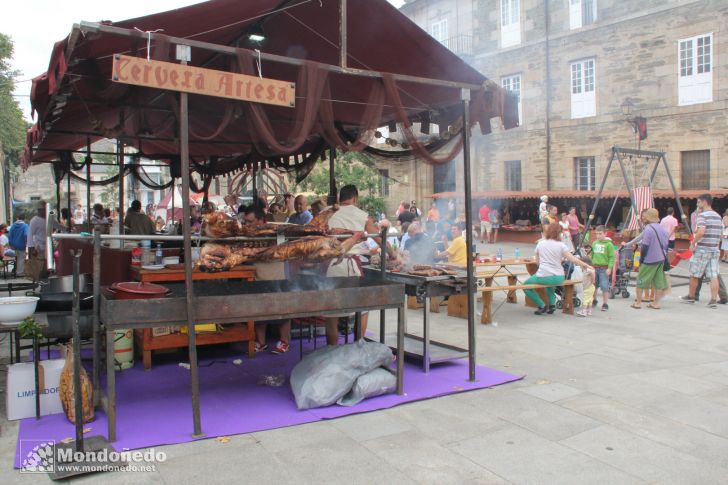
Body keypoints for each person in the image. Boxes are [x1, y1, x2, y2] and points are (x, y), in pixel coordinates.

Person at [324, 185, 387, 346]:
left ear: (340, 198)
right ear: (355, 198)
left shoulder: (326, 212)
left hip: (331, 266)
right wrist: (394, 254)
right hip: (351, 266)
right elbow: (380, 239)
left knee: (332, 312)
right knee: (361, 308)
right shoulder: (363, 216)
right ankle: (358, 347)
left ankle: (332, 351)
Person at [242, 205, 292, 353]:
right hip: (258, 274)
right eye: (246, 221)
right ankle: (261, 342)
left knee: (282, 310)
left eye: (250, 221)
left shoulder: (274, 231)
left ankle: (284, 342)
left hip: (277, 275)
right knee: (259, 310)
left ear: (260, 220)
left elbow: (283, 251)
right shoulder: (247, 234)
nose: (247, 225)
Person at [524, 223, 592, 315]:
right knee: (550, 284)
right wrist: (586, 265)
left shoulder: (541, 243)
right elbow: (572, 259)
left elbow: (537, 262)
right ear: (558, 233)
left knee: (525, 286)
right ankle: (552, 305)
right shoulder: (561, 245)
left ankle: (541, 305)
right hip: (559, 277)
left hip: (544, 276)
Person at [682, 194, 724, 308]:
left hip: (702, 249)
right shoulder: (718, 216)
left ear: (705, 202)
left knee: (695, 274)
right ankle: (713, 300)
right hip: (714, 249)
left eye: (699, 202)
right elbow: (721, 235)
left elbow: (701, 232)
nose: (697, 204)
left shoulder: (702, 216)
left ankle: (691, 296)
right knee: (713, 275)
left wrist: (694, 243)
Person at [631, 208, 669, 309]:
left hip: (649, 260)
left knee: (640, 280)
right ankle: (656, 303)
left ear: (648, 217)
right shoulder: (663, 230)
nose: (643, 218)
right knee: (658, 282)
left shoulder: (648, 229)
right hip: (661, 259)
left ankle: (638, 303)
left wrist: (641, 260)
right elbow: (666, 246)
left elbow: (645, 246)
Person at [27, 202, 64, 282]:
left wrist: (67, 229)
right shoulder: (34, 220)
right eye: (44, 210)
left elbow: (58, 226)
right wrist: (31, 248)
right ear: (40, 210)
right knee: (41, 266)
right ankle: (40, 281)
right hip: (40, 247)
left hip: (49, 246)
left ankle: (46, 280)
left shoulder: (49, 219)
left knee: (49, 265)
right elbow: (30, 235)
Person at [591, 225, 615, 311]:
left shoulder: (609, 245)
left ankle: (605, 303)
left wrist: (609, 268)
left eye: (600, 234)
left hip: (604, 268)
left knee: (604, 286)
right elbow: (592, 255)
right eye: (596, 234)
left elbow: (612, 257)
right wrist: (591, 265)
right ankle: (594, 299)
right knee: (594, 285)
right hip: (595, 267)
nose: (598, 236)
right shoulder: (594, 243)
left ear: (605, 233)